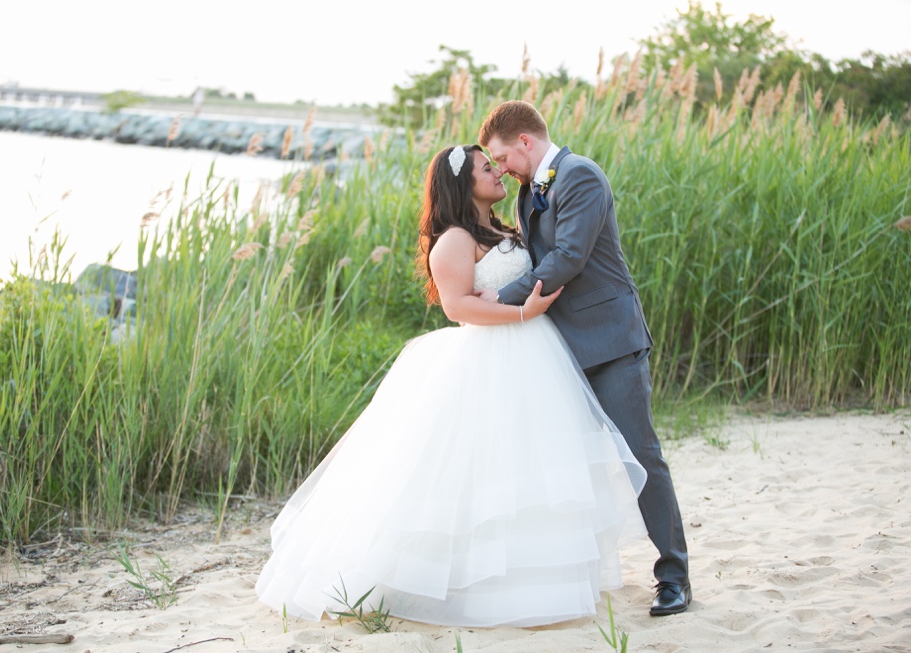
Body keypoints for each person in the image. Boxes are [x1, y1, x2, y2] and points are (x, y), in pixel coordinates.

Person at [254, 144, 648, 628]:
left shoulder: (507, 226)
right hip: (493, 359)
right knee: (482, 471)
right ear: (464, 184)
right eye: (488, 169)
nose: (499, 172)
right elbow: (456, 308)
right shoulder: (455, 240)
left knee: (534, 466)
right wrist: (521, 312)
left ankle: (537, 580)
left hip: (537, 358)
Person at [477, 100, 692, 616]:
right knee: (566, 467)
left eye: (503, 156)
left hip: (611, 341)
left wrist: (501, 300)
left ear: (525, 142)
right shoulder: (531, 187)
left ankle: (674, 577)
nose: (501, 167)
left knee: (640, 455)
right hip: (560, 352)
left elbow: (569, 257)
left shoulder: (580, 177)